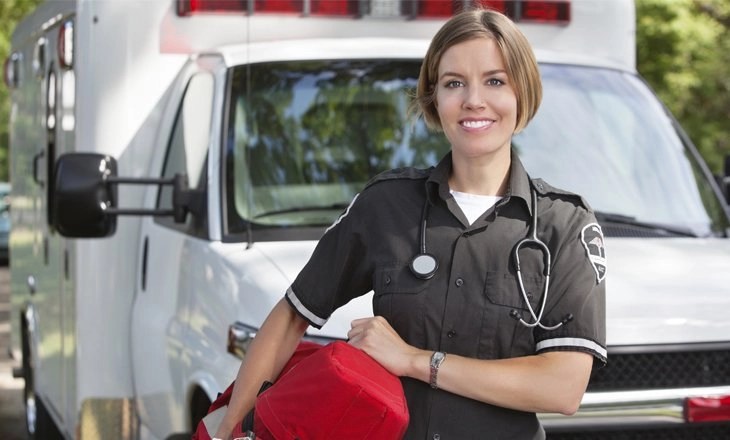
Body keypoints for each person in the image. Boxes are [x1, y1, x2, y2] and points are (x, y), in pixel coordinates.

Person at [213, 6, 607, 440]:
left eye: (495, 81)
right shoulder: (386, 204)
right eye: (454, 83)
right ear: (434, 98)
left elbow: (563, 387)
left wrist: (415, 360)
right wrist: (234, 425)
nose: (473, 99)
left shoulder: (562, 225)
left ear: (523, 93)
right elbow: (292, 315)